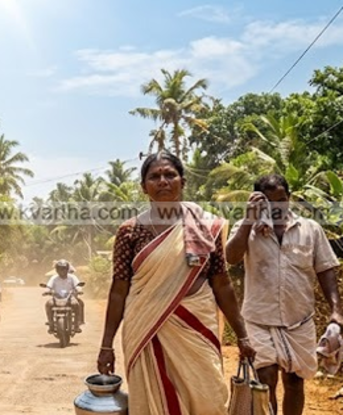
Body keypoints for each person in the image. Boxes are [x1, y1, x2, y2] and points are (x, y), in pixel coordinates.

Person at [97, 151, 255, 415]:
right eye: (154, 176)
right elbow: (119, 289)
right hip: (145, 327)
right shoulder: (130, 231)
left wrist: (242, 335)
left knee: (209, 398)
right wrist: (106, 345)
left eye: (169, 175)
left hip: (197, 326)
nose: (162, 181)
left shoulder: (206, 227)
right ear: (143, 187)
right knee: (152, 400)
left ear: (183, 181)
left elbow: (222, 283)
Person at [225, 174, 342, 415]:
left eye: (282, 199)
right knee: (265, 380)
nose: (277, 206)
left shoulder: (310, 229)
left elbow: (326, 270)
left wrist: (336, 312)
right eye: (268, 201)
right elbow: (231, 257)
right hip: (259, 320)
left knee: (295, 382)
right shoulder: (246, 229)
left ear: (289, 198)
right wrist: (249, 219)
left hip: (299, 321)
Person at [44, 259, 84, 333]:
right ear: (57, 270)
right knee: (48, 304)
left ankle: (76, 325)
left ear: (67, 269)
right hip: (56, 298)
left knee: (76, 304)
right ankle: (51, 325)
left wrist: (79, 290)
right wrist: (47, 291)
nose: (62, 271)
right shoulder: (54, 278)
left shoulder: (72, 277)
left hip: (70, 297)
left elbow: (77, 285)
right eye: (60, 269)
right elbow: (48, 286)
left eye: (64, 269)